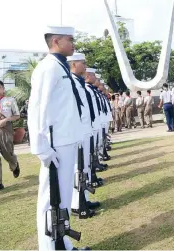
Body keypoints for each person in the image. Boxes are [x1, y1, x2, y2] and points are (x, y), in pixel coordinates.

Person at [28, 26, 89, 250]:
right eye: (70, 39)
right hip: (55, 143)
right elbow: (37, 109)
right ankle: (49, 247)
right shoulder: (48, 68)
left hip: (66, 139)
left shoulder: (59, 67)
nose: (74, 44)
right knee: (49, 198)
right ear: (56, 40)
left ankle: (62, 242)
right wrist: (41, 148)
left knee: (61, 197)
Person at [67, 53, 100, 218]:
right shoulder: (72, 83)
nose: (85, 66)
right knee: (78, 168)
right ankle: (76, 204)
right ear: (73, 64)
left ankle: (83, 199)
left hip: (86, 128)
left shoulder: (79, 84)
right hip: (78, 131)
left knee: (85, 166)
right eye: (82, 62)